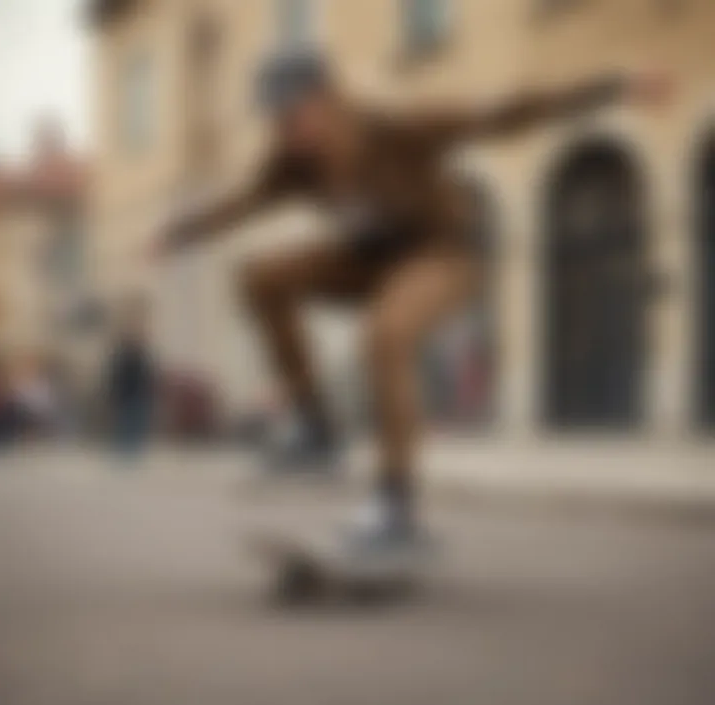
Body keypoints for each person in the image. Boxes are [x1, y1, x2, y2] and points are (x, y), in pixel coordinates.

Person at [157, 51, 671, 558]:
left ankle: (395, 504)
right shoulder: (291, 164)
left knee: (386, 334)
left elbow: (507, 112)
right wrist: (176, 237)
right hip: (368, 264)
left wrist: (615, 86)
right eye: (277, 121)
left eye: (294, 116)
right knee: (261, 276)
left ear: (330, 99)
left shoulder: (399, 127)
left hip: (443, 256)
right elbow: (242, 202)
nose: (287, 133)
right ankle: (315, 426)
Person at [106, 300, 157, 457]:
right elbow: (115, 374)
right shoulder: (121, 348)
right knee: (124, 435)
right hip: (124, 397)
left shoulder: (142, 347)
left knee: (137, 435)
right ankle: (124, 462)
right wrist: (113, 395)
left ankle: (134, 461)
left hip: (139, 397)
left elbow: (147, 373)